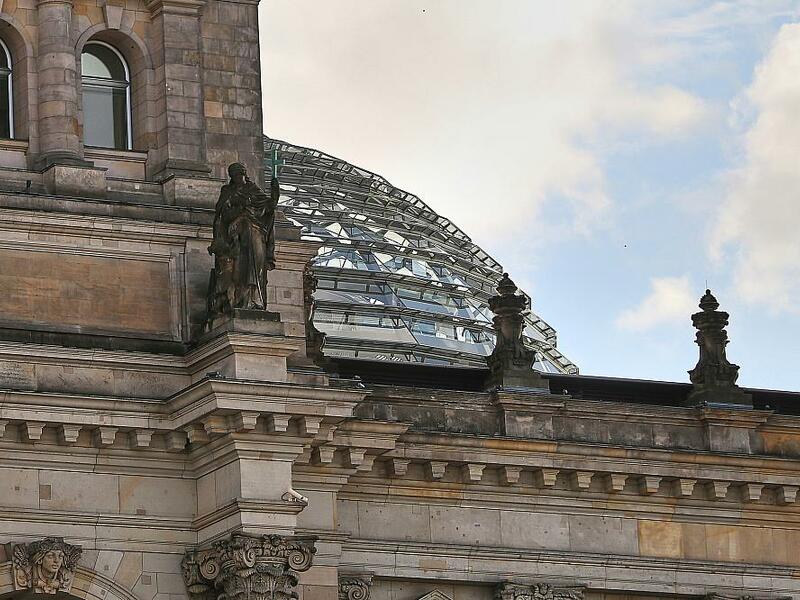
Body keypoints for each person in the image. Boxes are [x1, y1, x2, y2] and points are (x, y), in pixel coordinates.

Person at [208, 163, 279, 318]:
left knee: (256, 267)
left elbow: (269, 207)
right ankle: (238, 300)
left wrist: (275, 192)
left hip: (255, 233)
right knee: (240, 268)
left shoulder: (253, 189)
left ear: (245, 174)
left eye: (240, 174)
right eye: (235, 175)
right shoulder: (227, 191)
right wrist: (239, 208)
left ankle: (253, 300)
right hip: (236, 235)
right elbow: (221, 213)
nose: (238, 178)